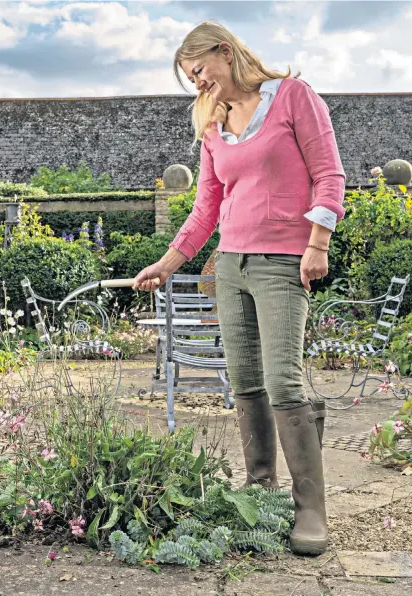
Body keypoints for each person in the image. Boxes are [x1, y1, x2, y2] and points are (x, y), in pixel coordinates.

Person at [133, 21, 346, 556]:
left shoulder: (294, 97)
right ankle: (260, 491)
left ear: (225, 53)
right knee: (245, 378)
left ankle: (310, 511)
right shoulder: (213, 125)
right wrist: (167, 262)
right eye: (190, 78)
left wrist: (317, 243)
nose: (198, 84)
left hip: (283, 262)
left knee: (283, 379)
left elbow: (329, 175)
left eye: (199, 71)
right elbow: (207, 205)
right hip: (230, 265)